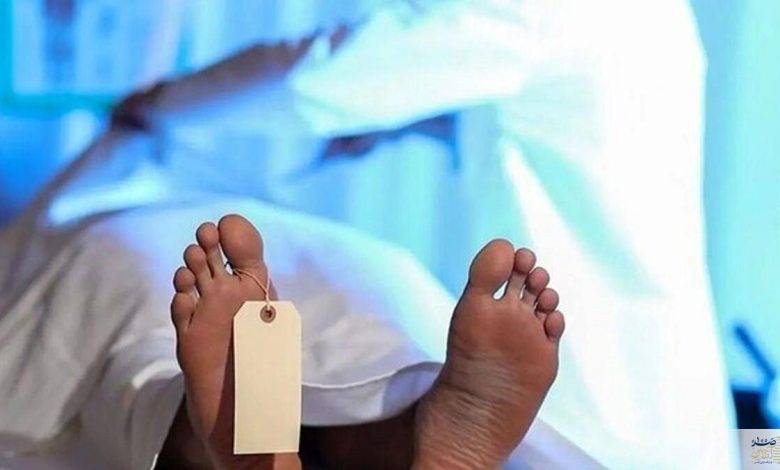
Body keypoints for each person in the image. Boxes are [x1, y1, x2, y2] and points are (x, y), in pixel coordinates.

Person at [112, 0, 737, 467]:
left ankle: (265, 450)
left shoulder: (538, 11)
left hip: (594, 402)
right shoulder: (657, 15)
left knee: (358, 392)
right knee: (371, 382)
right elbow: (590, 131)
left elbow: (318, 78)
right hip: (678, 413)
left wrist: (166, 103)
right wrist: (426, 124)